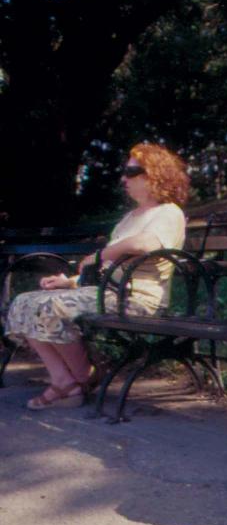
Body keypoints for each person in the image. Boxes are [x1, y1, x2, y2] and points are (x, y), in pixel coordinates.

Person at [5, 143, 189, 410]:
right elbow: (110, 269)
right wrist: (70, 283)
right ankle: (65, 381)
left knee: (49, 307)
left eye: (131, 170)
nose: (124, 178)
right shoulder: (128, 218)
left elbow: (146, 245)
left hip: (138, 300)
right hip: (109, 292)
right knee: (25, 302)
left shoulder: (168, 213)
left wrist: (102, 253)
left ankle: (80, 378)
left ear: (153, 174)